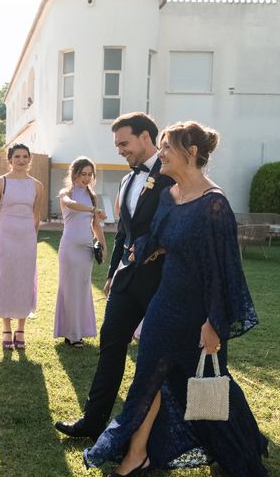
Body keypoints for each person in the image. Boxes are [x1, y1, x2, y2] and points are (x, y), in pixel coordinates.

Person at [85, 121, 267, 476]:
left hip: (198, 314)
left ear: (192, 152)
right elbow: (157, 236)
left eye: (167, 147)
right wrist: (141, 249)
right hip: (164, 306)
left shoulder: (215, 205)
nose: (161, 153)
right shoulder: (170, 197)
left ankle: (241, 447)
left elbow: (222, 271)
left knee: (209, 388)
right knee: (146, 381)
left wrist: (214, 324)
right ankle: (136, 456)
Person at [55, 112, 174, 439]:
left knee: (160, 356)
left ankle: (157, 431)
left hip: (162, 282)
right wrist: (112, 273)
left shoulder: (171, 175)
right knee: (110, 345)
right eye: (117, 144)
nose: (120, 149)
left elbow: (177, 227)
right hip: (126, 280)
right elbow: (124, 232)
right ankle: (93, 421)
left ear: (146, 138)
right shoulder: (126, 180)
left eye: (124, 143)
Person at [0, 143, 43, 350]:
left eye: (25, 157)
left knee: (25, 281)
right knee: (6, 279)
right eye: (17, 156)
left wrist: (32, 238)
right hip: (5, 237)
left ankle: (21, 329)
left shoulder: (37, 185)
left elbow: (36, 216)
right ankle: (6, 329)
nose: (21, 160)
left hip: (27, 239)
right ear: (9, 159)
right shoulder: (0, 183)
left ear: (29, 159)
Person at [53, 157, 107, 347]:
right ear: (74, 173)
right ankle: (70, 334)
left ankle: (79, 332)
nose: (86, 178)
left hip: (86, 248)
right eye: (83, 174)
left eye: (89, 174)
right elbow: (70, 204)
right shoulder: (66, 193)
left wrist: (103, 244)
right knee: (69, 289)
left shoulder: (92, 196)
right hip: (69, 247)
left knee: (82, 289)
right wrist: (93, 209)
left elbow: (95, 225)